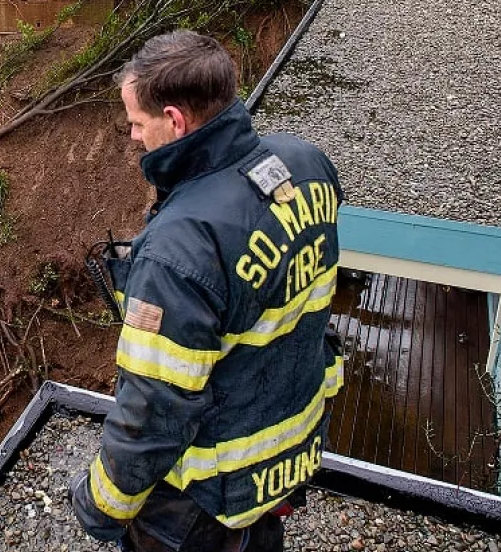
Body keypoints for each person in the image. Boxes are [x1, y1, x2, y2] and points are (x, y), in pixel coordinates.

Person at [71, 30, 345, 552]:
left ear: (175, 120)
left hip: (202, 496)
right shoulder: (306, 164)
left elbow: (157, 405)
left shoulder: (178, 248)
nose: (132, 136)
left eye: (137, 122)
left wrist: (99, 505)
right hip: (289, 451)